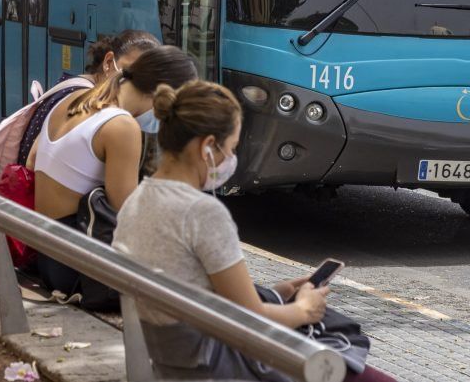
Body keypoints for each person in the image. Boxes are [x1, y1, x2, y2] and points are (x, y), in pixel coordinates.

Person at [114, 82, 396, 382]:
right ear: (208, 146)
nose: (231, 160)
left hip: (176, 358)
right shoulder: (202, 214)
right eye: (231, 148)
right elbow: (249, 320)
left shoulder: (138, 200)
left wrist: (281, 292)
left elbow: (214, 294)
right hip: (218, 365)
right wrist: (303, 309)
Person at [28, 45, 198, 302]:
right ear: (163, 93)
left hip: (50, 256)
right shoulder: (121, 125)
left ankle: (271, 298)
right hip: (79, 269)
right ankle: (271, 303)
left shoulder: (74, 99)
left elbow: (33, 161)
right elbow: (128, 214)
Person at [16, 30, 161, 168]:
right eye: (129, 74)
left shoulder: (78, 90)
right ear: (109, 62)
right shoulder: (86, 103)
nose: (138, 88)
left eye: (148, 82)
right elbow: (34, 160)